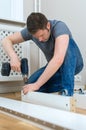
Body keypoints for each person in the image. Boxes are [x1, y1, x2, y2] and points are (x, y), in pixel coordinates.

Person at [2, 12, 83, 96]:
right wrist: (13, 57)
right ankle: (64, 83)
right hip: (55, 68)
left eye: (42, 35)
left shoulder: (59, 27)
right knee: (30, 86)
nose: (40, 39)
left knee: (67, 43)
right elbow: (6, 40)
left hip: (74, 65)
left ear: (48, 25)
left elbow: (58, 59)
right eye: (37, 37)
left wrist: (37, 85)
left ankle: (67, 92)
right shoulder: (32, 32)